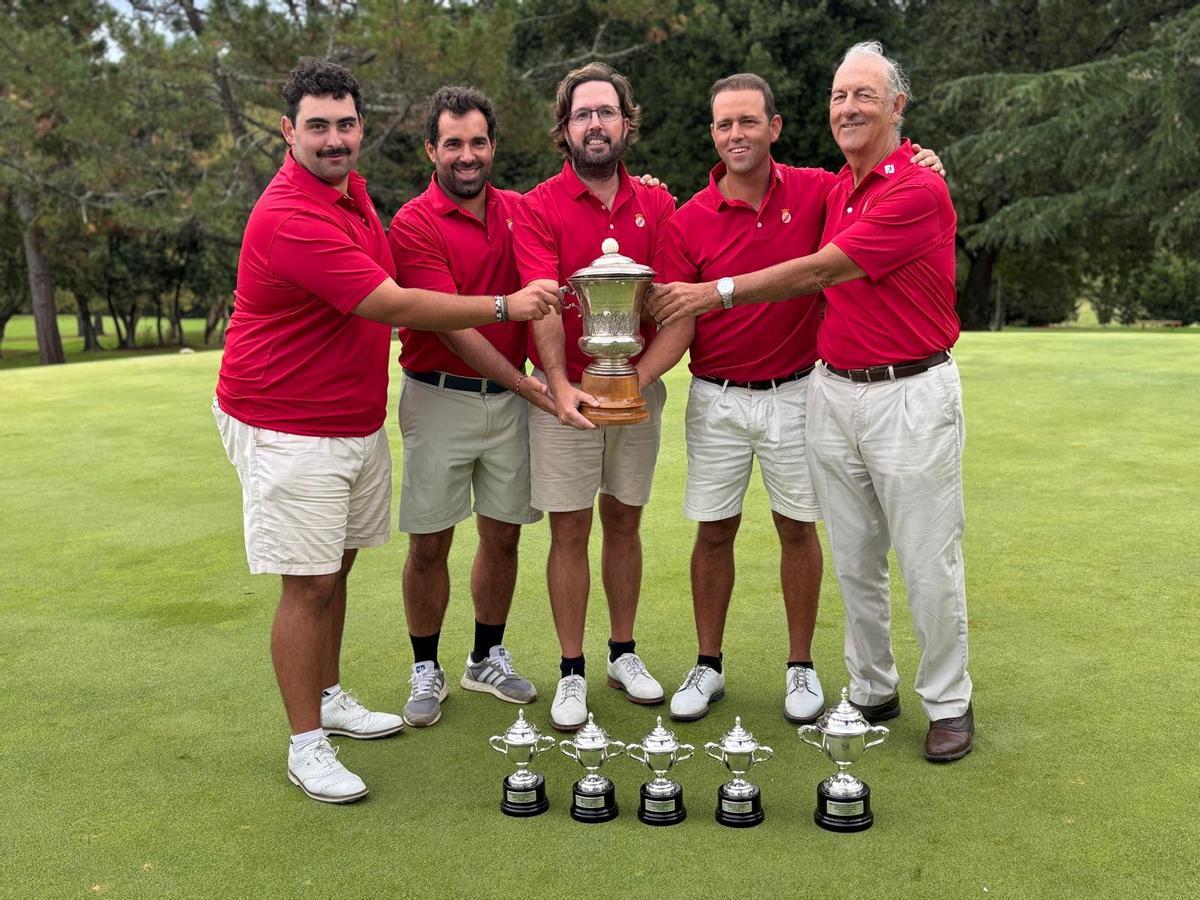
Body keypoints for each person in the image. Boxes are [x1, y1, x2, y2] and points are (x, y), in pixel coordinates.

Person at [213, 58, 559, 804]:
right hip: (286, 421)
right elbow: (396, 304)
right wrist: (507, 309)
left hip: (349, 419)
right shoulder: (291, 215)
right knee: (307, 585)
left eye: (344, 124)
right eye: (317, 126)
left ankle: (329, 697)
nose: (334, 139)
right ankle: (307, 743)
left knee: (334, 569)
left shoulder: (353, 196)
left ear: (361, 127)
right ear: (287, 130)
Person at [648, 42, 974, 761]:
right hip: (834, 390)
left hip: (910, 391)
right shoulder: (840, 187)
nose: (850, 108)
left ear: (897, 107)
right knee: (856, 555)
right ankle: (870, 689)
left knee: (926, 558)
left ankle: (949, 702)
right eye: (840, 96)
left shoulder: (914, 189)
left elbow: (826, 268)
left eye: (865, 95)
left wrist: (722, 289)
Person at [512, 62, 675, 731]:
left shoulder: (660, 205)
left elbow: (679, 309)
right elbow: (542, 305)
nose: (596, 125)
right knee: (570, 528)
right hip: (563, 397)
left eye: (607, 112)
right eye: (583, 114)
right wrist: (562, 389)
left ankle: (624, 653)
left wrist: (632, 382)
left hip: (637, 388)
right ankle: (573, 670)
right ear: (565, 128)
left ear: (626, 123)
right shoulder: (537, 206)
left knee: (627, 520)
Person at [387, 87, 557, 727]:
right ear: (432, 149)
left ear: (493, 146)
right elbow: (454, 325)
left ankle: (486, 656)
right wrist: (526, 383)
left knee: (503, 532)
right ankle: (424, 664)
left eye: (477, 142)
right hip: (440, 398)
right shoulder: (412, 223)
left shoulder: (522, 210)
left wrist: (647, 184)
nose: (466, 155)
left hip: (512, 401)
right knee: (429, 541)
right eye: (452, 143)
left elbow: (584, 200)